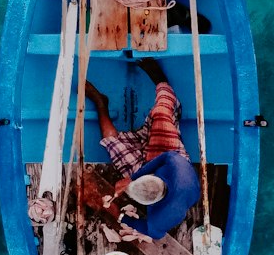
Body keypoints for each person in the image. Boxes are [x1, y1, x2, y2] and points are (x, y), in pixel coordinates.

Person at [85, 59, 200, 241]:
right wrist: (131, 179)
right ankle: (162, 83)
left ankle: (100, 103)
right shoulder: (177, 165)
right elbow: (166, 157)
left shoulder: (166, 215)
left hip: (157, 170)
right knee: (162, 112)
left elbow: (152, 232)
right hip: (166, 156)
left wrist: (119, 215)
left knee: (111, 142)